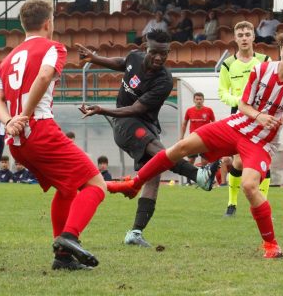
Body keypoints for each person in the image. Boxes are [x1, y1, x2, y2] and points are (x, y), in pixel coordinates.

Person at [107, 27, 283, 259]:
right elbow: (244, 105)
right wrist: (258, 115)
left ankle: (271, 244)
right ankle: (135, 184)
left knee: (249, 186)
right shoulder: (261, 69)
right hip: (236, 125)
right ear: (280, 50)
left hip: (261, 142)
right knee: (181, 147)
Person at [0, 0, 106, 271]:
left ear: (23, 24)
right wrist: (25, 115)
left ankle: (62, 258)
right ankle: (69, 237)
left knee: (66, 189)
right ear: (48, 23)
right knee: (96, 185)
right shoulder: (54, 47)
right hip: (39, 128)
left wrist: (10, 121)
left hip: (17, 140)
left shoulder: (7, 60)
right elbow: (43, 77)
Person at [75, 31, 218, 248]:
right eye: (154, 52)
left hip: (144, 122)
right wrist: (95, 59)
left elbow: (138, 107)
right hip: (126, 124)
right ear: (145, 49)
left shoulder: (164, 80)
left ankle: (135, 232)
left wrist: (102, 109)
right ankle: (198, 175)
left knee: (154, 175)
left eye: (164, 54)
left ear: (168, 52)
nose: (159, 58)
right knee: (160, 151)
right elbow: (122, 63)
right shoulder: (135, 57)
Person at [217, 21, 271, 217]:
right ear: (235, 38)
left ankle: (263, 204)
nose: (244, 38)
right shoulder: (228, 64)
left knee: (264, 160)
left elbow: (272, 83)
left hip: (261, 114)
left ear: (254, 37)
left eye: (248, 34)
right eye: (240, 35)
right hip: (239, 114)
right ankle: (232, 204)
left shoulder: (265, 60)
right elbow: (222, 91)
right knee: (238, 162)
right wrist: (238, 101)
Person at [180, 92, 215, 167]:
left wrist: (214, 136)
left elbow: (214, 124)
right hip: (193, 138)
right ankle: (189, 177)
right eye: (197, 99)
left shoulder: (209, 110)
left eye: (200, 99)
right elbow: (184, 123)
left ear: (203, 100)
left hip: (205, 139)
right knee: (190, 160)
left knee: (205, 161)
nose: (199, 101)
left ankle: (203, 178)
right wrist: (181, 137)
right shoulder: (189, 110)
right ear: (194, 100)